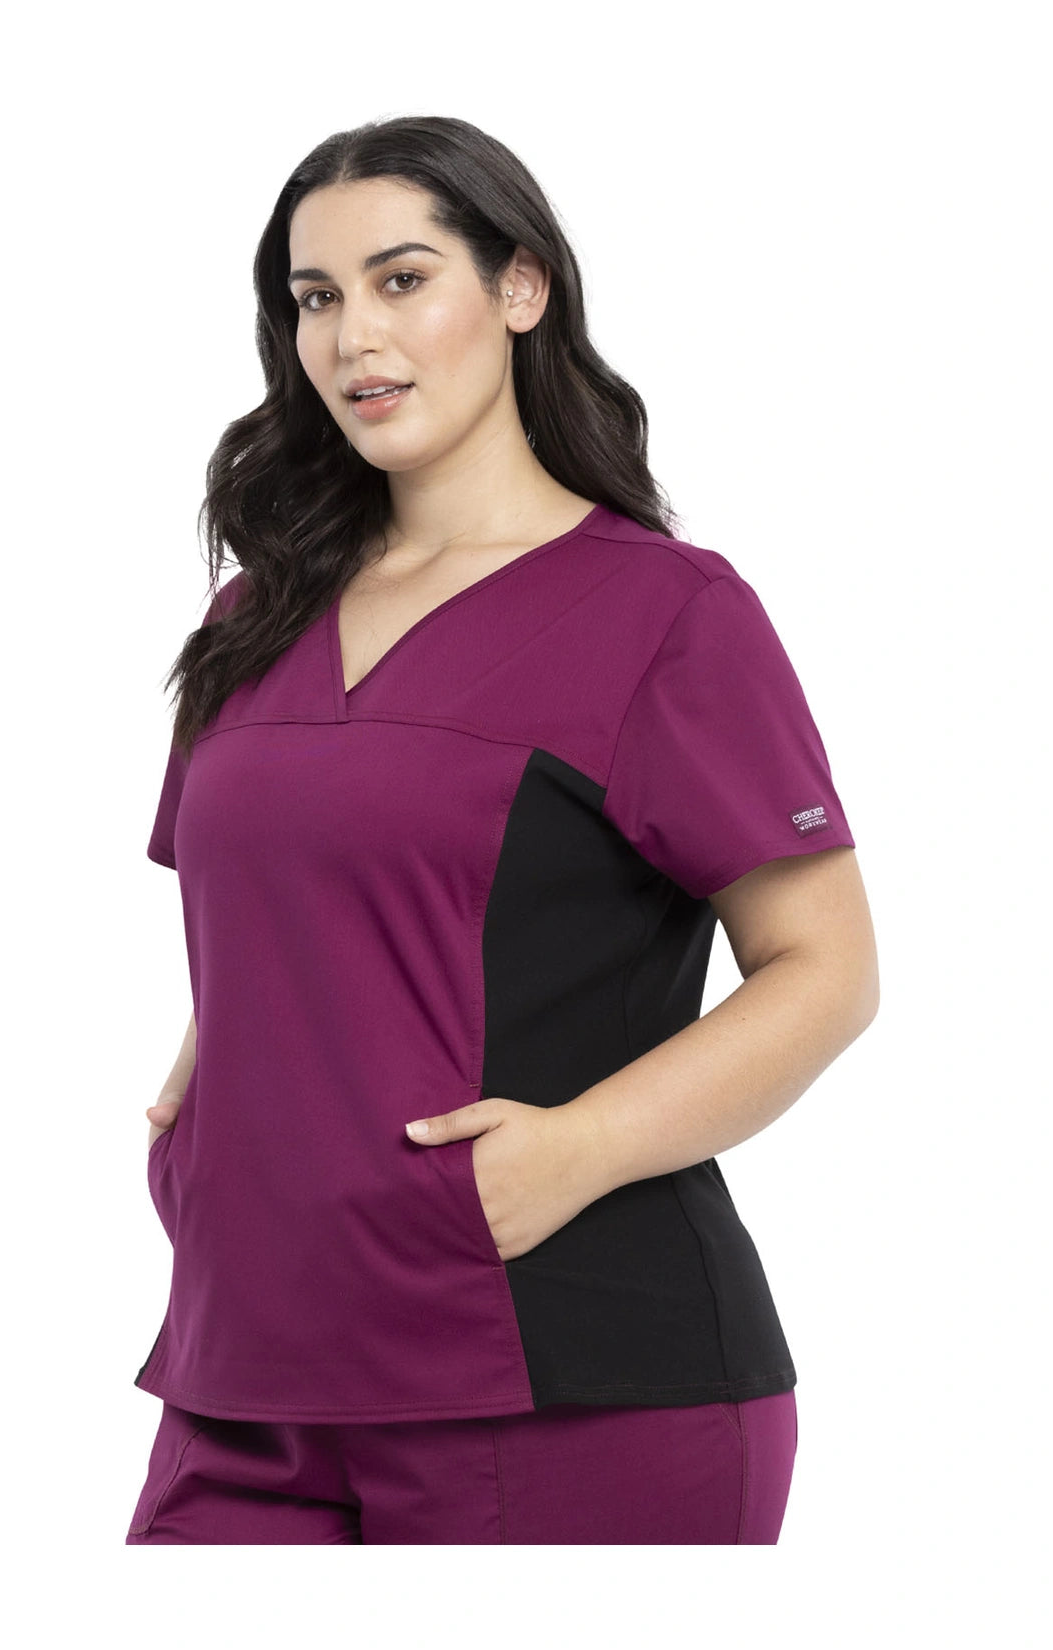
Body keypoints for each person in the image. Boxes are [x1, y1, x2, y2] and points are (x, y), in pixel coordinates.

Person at [124, 114, 879, 1546]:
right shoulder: (250, 619)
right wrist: (211, 1086)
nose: (353, 336)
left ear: (521, 286)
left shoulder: (666, 611)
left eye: (403, 280)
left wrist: (573, 1151)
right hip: (248, 1364)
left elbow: (828, 969)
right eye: (315, 297)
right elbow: (289, 905)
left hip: (567, 1379)